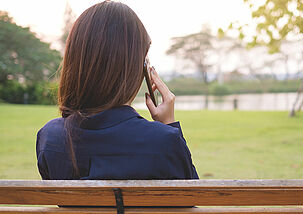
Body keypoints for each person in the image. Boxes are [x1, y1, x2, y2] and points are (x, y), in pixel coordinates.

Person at [36, 1, 198, 180]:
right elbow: (191, 199)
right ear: (137, 68)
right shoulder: (163, 141)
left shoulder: (50, 138)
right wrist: (169, 125)